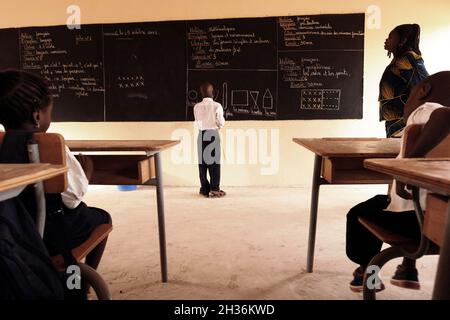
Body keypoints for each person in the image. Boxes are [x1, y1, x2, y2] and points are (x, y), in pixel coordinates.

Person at [347, 71, 450, 292]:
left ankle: (367, 271)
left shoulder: (427, 109)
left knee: (358, 214)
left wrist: (407, 167)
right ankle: (408, 269)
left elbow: (444, 116)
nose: (406, 105)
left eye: (409, 96)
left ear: (424, 91)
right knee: (383, 201)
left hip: (416, 224)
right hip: (441, 222)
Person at [0, 70, 111, 276]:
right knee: (102, 217)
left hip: (12, 232)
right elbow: (73, 198)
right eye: (50, 111)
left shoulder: (2, 143)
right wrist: (86, 172)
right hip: (52, 236)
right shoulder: (50, 145)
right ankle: (85, 281)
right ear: (37, 115)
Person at [379, 24, 429, 137]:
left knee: (401, 153)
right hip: (397, 121)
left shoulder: (407, 59)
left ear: (402, 40)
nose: (386, 39)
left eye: (391, 37)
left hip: (403, 123)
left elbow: (422, 87)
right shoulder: (402, 59)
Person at [194, 82, 226, 198]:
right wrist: (217, 126)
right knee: (214, 163)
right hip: (212, 134)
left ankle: (204, 188)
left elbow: (198, 122)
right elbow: (221, 123)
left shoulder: (196, 106)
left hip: (201, 135)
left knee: (202, 163)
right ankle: (214, 189)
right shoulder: (217, 106)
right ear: (212, 92)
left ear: (201, 93)